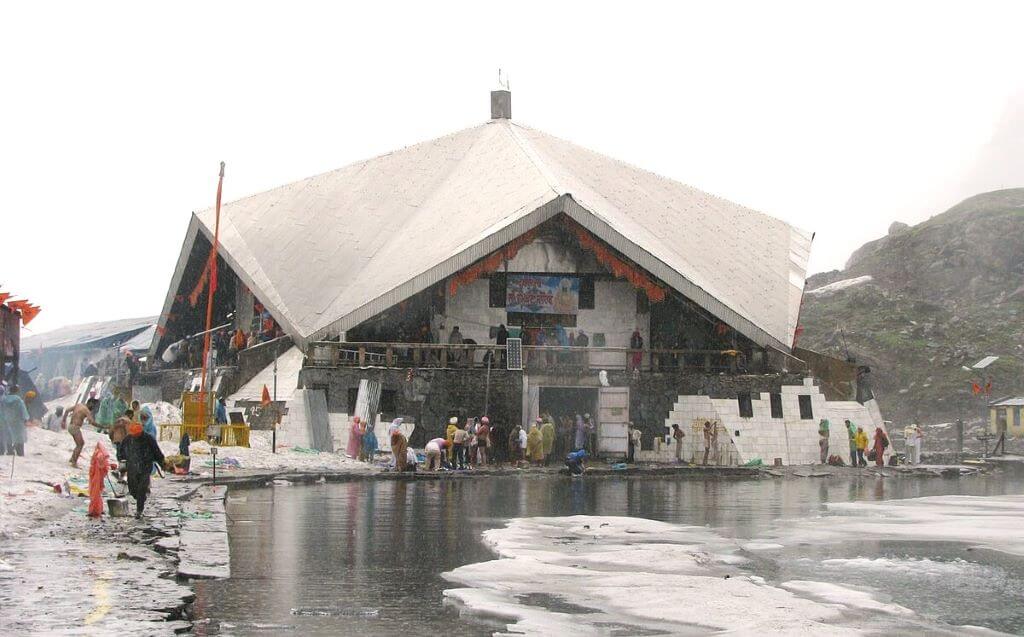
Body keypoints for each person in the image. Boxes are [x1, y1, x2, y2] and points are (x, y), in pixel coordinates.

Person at [120, 421, 165, 518]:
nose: (135, 436)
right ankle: (140, 498)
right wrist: (122, 463)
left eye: (137, 434)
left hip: (145, 467)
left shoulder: (148, 439)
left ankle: (139, 510)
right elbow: (121, 452)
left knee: (141, 488)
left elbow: (156, 451)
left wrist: (162, 463)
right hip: (132, 468)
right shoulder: (128, 439)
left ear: (140, 432)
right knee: (132, 490)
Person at [62, 398, 99, 467]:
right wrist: (103, 426)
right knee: (80, 444)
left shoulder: (79, 405)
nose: (94, 407)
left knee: (79, 444)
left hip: (71, 426)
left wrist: (63, 421)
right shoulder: (86, 410)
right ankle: (74, 462)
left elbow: (67, 410)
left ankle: (72, 459)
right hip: (75, 427)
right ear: (90, 403)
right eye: (94, 405)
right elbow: (92, 422)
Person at [0, 385, 30, 456]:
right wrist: (26, 418)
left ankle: (10, 452)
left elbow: (2, 411)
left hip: (7, 422)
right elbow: (24, 412)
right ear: (17, 391)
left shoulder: (4, 400)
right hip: (18, 423)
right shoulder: (19, 401)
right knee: (19, 438)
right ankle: (20, 453)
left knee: (9, 438)